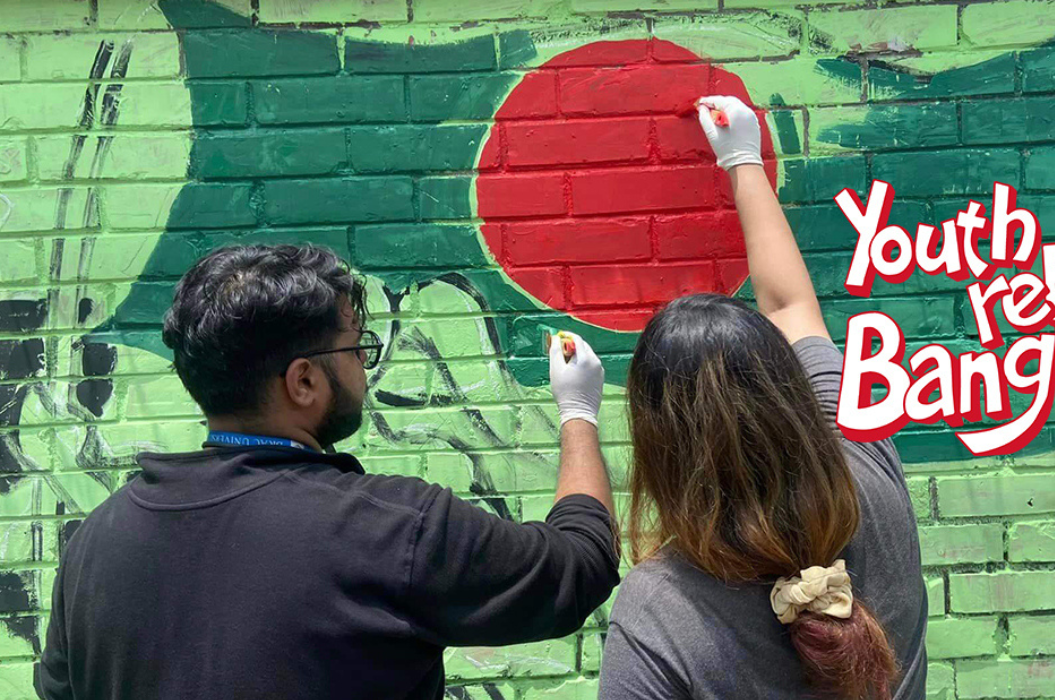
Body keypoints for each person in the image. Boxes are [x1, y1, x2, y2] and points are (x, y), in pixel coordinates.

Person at [36, 245, 619, 700]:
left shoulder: (98, 539)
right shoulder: (391, 530)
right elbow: (580, 564)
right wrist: (577, 412)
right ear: (304, 382)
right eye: (355, 347)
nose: (365, 364)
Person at [598, 96, 927, 700]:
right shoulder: (865, 457)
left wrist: (575, 414)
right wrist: (744, 157)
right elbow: (792, 308)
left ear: (661, 453)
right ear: (789, 393)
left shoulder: (660, 609)